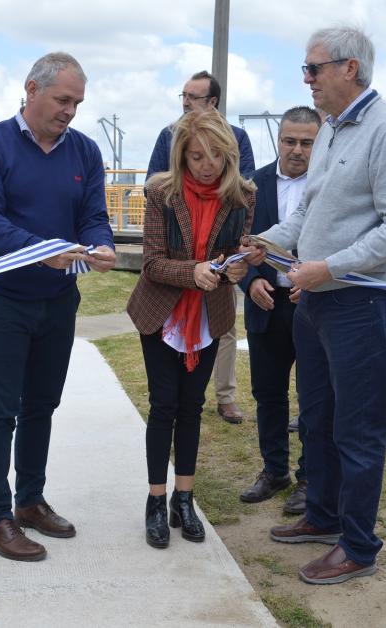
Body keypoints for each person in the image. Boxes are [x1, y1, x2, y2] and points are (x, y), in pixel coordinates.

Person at [246, 26, 386, 585]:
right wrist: (264, 243)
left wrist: (332, 266)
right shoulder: (329, 131)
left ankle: (358, 545)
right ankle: (321, 516)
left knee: (358, 427)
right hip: (316, 303)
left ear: (349, 69)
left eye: (313, 69)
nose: (306, 80)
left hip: (360, 303)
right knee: (317, 419)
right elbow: (309, 218)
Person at [0, 52, 116, 562]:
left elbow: (94, 214)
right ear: (31, 89)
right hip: (3, 300)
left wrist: (102, 244)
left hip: (58, 301)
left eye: (77, 103)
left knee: (42, 406)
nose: (70, 111)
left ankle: (29, 501)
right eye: (62, 100)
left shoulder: (85, 153)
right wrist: (43, 250)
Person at [127, 108, 256, 549]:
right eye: (197, 156)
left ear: (229, 156)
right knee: (164, 405)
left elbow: (236, 254)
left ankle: (185, 497)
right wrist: (194, 272)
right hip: (161, 315)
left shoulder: (243, 196)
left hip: (207, 315)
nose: (206, 164)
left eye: (216, 156)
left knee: (193, 406)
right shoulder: (162, 193)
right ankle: (155, 500)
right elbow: (152, 263)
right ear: (182, 154)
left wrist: (237, 269)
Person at [147, 70, 255, 425]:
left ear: (213, 102)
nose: (184, 102)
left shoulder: (238, 137)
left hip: (219, 260)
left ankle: (224, 397)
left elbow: (243, 192)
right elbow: (154, 181)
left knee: (223, 328)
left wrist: (236, 257)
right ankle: (174, 399)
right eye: (183, 95)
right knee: (168, 394)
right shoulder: (169, 134)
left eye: (192, 97)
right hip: (176, 256)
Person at [238, 106, 321, 514]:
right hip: (266, 304)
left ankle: (309, 477)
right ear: (278, 140)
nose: (297, 150)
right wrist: (249, 281)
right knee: (267, 394)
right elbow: (235, 246)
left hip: (312, 307)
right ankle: (274, 470)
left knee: (313, 396)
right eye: (290, 141)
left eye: (307, 142)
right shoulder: (251, 186)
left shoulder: (328, 187)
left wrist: (318, 285)